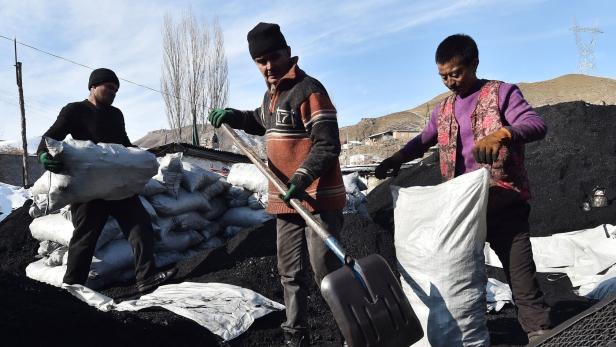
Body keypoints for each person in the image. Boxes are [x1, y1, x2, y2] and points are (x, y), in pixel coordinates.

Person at [375, 34, 552, 343]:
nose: (450, 82)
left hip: (502, 203)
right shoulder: (443, 109)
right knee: (455, 278)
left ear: (474, 63)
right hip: (459, 210)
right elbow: (424, 139)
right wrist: (397, 157)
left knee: (520, 276)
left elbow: (536, 124)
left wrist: (504, 134)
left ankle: (541, 333)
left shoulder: (502, 94)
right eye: (443, 76)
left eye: (455, 73)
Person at [208, 23, 346, 347]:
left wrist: (302, 176)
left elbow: (328, 144)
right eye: (260, 61)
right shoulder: (272, 96)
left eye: (272, 57)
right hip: (285, 201)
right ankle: (296, 335)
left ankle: (347, 331)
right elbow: (259, 120)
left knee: (325, 271)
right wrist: (234, 115)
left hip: (317, 199)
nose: (268, 66)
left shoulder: (309, 90)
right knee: (289, 272)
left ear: (287, 52)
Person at [37, 68, 176, 293]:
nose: (113, 92)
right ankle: (73, 287)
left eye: (116, 90)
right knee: (85, 238)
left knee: (140, 227)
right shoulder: (75, 110)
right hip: (89, 188)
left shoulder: (115, 114)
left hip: (118, 186)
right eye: (109, 87)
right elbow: (50, 138)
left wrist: (143, 157)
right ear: (93, 86)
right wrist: (44, 155)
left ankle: (146, 277)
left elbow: (124, 144)